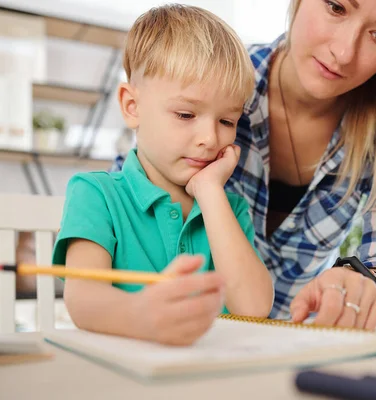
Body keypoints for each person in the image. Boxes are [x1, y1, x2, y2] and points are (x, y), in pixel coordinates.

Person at [110, 0, 376, 330]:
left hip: (294, 350)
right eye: (336, 6)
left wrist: (367, 284)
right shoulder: (213, 85)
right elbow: (122, 203)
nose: (343, 52)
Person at [52, 5, 274, 346]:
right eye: (186, 114)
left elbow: (255, 307)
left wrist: (209, 192)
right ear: (132, 106)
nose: (210, 139)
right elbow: (83, 300)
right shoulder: (95, 194)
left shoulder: (229, 208)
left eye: (227, 121)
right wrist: (140, 314)